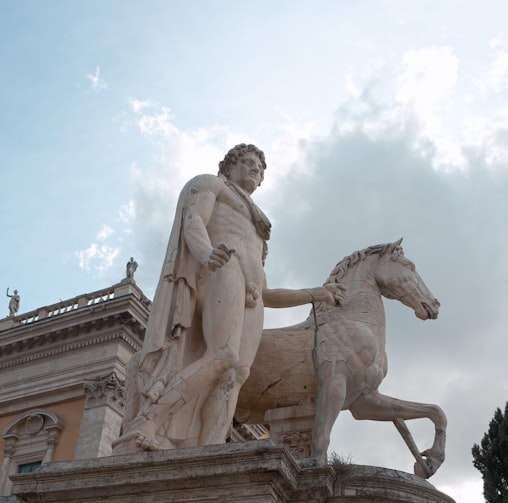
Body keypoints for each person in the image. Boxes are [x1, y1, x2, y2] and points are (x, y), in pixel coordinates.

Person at [115, 144, 343, 453]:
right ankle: (148, 421)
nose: (255, 171)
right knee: (224, 354)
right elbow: (193, 221)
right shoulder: (213, 184)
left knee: (235, 374)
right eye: (248, 163)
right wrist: (207, 253)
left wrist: (314, 295)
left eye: (260, 170)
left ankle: (206, 453)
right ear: (229, 166)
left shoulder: (259, 228)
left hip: (252, 292)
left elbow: (267, 293)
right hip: (222, 266)